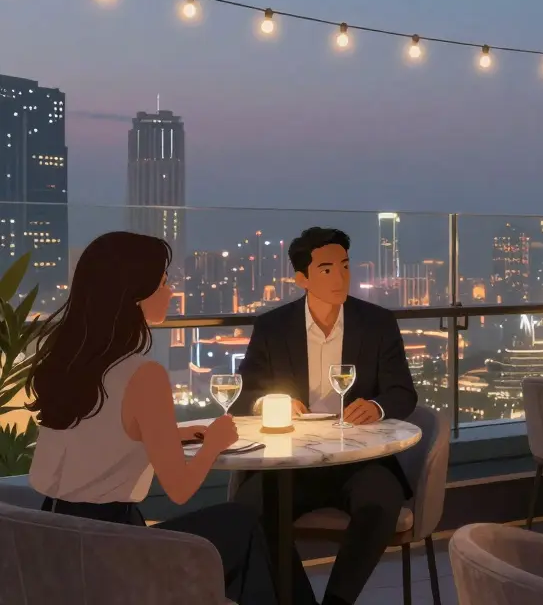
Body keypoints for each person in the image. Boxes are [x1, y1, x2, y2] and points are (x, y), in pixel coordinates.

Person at [26, 231, 283, 605]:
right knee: (244, 523)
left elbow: (101, 431)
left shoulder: (69, 361)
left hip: (56, 544)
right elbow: (178, 489)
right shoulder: (143, 374)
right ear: (134, 292)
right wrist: (213, 443)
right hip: (116, 551)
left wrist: (171, 433)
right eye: (163, 281)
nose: (170, 290)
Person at [233, 227, 418, 605]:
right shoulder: (272, 327)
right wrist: (271, 403)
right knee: (250, 510)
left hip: (358, 456)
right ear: (302, 278)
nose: (341, 278)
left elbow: (403, 391)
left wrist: (377, 407)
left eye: (345, 267)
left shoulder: (377, 322)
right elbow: (245, 394)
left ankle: (337, 601)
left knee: (380, 502)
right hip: (290, 462)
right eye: (327, 269)